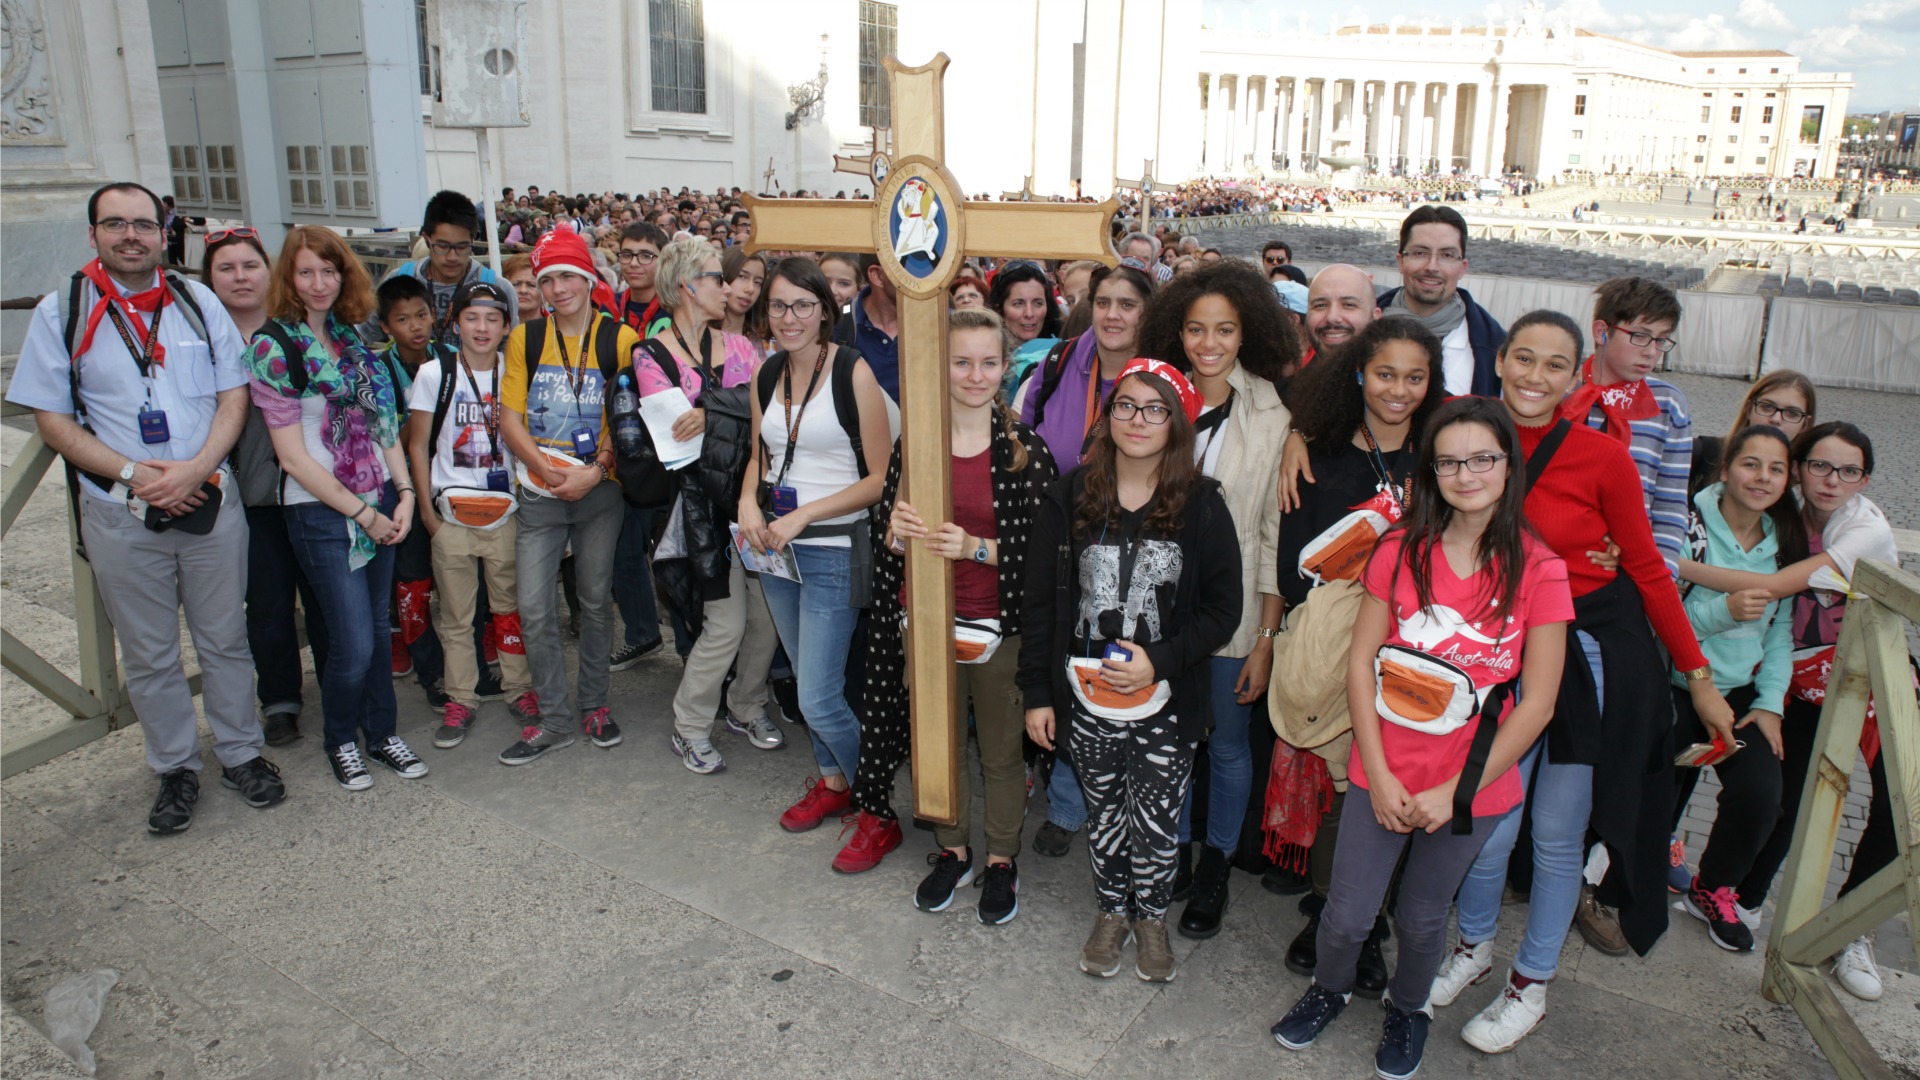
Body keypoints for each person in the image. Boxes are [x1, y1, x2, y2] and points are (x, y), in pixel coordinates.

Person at [1429, 311, 1731, 1055]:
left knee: (1557, 834)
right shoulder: (1469, 440)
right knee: (1488, 822)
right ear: (1501, 363)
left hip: (1591, 650)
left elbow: (1650, 571)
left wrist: (1696, 676)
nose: (1534, 376)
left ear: (1578, 374)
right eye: (1522, 359)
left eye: (1553, 364)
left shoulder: (1603, 456)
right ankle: (1472, 948)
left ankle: (1530, 982)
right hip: (1502, 648)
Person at [1270, 398, 1570, 1080]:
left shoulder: (1540, 568)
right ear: (1432, 470)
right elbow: (1360, 662)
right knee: (1345, 916)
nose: (1468, 474)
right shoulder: (1401, 549)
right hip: (1385, 767)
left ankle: (1409, 1009)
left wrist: (1451, 792)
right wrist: (1375, 769)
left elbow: (1541, 701)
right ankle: (1329, 987)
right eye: (1450, 461)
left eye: (1484, 458)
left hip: (1471, 785)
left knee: (1423, 916)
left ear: (1508, 466)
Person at [8, 182, 286, 830]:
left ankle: (241, 753)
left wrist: (195, 467)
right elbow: (52, 419)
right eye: (115, 224)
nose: (130, 235)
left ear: (164, 235)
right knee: (151, 652)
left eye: (142, 224)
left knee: (224, 640)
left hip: (209, 502)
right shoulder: (62, 313)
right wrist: (135, 474)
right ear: (94, 234)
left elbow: (233, 397)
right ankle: (175, 768)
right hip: (120, 510)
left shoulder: (199, 304)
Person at [1020, 359, 1242, 984]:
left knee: (1158, 817)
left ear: (1176, 423)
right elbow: (1040, 604)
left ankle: (1151, 917)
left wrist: (1161, 659)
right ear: (1107, 415)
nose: (1137, 420)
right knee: (1106, 809)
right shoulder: (1070, 495)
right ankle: (1111, 910)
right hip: (1085, 698)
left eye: (1154, 409)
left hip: (1166, 701)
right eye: (1125, 405)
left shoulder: (1200, 504)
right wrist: (1039, 692)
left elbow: (1224, 609)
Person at [1674, 422, 1899, 1001]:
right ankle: (1734, 895)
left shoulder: (1860, 529)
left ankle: (1852, 930)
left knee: (1901, 802)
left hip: (1865, 671)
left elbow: (1774, 589)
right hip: (1794, 673)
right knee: (1786, 796)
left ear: (1866, 479)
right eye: (1820, 466)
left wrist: (1675, 565)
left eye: (1849, 470)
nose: (1832, 480)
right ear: (1801, 469)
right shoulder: (1784, 516)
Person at [853, 309, 1059, 913]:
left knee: (999, 750)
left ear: (1005, 367)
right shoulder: (915, 444)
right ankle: (952, 848)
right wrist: (894, 532)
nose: (975, 375)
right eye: (961, 361)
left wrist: (975, 548)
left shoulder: (1026, 450)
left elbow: (1047, 556)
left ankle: (1000, 857)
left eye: (988, 363)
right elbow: (888, 533)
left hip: (1000, 627)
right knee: (935, 743)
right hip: (927, 621)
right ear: (939, 366)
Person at [1270, 316, 1447, 994]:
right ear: (1357, 376)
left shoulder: (1445, 453)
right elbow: (1292, 565)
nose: (1398, 390)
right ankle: (1333, 917)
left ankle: (1366, 925)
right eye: (1384, 374)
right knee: (1343, 791)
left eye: (1414, 376)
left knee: (1389, 791)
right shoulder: (1318, 453)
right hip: (1340, 649)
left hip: (1423, 656)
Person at [1134, 261, 1296, 940]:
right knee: (1168, 743)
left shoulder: (1272, 411)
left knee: (1227, 749)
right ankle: (1169, 853)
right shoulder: (1151, 395)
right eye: (1196, 328)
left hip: (1232, 618)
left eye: (1225, 330)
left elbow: (1272, 532)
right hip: (1158, 608)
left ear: (1247, 332)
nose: (1209, 343)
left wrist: (1265, 637)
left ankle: (1216, 867)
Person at [246, 225, 428, 791]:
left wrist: (402, 495)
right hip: (321, 513)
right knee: (351, 641)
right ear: (289, 278)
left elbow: (384, 429)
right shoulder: (272, 347)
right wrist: (363, 514)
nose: (319, 283)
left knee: (375, 629)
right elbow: (294, 459)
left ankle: (382, 733)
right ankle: (341, 741)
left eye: (329, 271)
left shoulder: (353, 342)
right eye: (306, 272)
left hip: (377, 500)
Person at [738, 258, 892, 836]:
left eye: (803, 305)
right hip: (775, 547)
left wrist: (805, 514)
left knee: (822, 697)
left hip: (833, 548)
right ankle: (835, 784)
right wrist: (747, 503)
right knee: (807, 687)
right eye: (778, 305)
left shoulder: (852, 372)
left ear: (825, 311)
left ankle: (873, 801)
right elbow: (761, 455)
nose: (789, 317)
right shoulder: (766, 373)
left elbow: (881, 477)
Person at [1016, 263, 1156, 858]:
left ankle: (1138, 808)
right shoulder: (1058, 361)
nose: (1114, 314)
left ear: (1147, 313)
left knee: (1130, 668)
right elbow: (1020, 432)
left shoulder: (1161, 374)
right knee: (1071, 663)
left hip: (1137, 543)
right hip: (1065, 535)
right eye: (1103, 301)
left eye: (1128, 303)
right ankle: (1071, 805)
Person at [495, 227, 642, 765]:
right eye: (547, 279)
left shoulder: (619, 339)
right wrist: (544, 469)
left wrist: (596, 468)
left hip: (600, 491)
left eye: (567, 276)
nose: (557, 288)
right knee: (534, 608)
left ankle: (595, 705)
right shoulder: (525, 339)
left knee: (595, 601)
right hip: (540, 490)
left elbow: (629, 419)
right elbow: (509, 418)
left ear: (588, 278)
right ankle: (555, 719)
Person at [640, 239, 784, 775]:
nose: (728, 288)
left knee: (768, 618)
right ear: (686, 287)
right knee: (725, 624)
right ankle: (691, 724)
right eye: (715, 278)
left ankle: (745, 707)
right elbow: (675, 440)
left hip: (750, 498)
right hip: (697, 508)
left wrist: (708, 410)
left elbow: (767, 411)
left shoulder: (743, 348)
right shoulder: (650, 354)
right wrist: (731, 412)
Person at [1665, 425, 1804, 953]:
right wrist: (1720, 612)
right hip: (1680, 682)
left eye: (1776, 468)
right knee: (1659, 783)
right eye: (1750, 464)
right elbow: (1664, 614)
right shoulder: (1689, 525)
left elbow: (1781, 636)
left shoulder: (1784, 546)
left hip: (1743, 693)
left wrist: (1769, 704)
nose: (1762, 477)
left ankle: (1711, 888)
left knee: (1762, 798)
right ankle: (1618, 877)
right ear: (1725, 469)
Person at [206, 225, 328, 747]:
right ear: (208, 279)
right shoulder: (203, 339)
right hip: (251, 496)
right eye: (226, 268)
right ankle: (280, 699)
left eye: (250, 265)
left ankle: (341, 686)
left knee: (325, 598)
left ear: (269, 272)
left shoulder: (301, 329)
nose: (240, 277)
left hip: (316, 489)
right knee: (269, 603)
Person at [407, 281, 541, 750]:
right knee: (457, 616)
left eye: (492, 318)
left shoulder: (515, 371)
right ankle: (461, 696)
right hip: (452, 516)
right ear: (456, 322)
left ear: (508, 325)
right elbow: (418, 445)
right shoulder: (433, 373)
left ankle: (518, 687)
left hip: (505, 516)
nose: (482, 327)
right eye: (472, 317)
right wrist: (428, 512)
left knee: (508, 611)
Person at [1374, 206, 1505, 397]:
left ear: (1462, 267)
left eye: (1447, 255)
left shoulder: (1496, 348)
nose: (1432, 267)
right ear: (1401, 262)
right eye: (1420, 253)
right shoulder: (1361, 330)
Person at [372, 189, 518, 348]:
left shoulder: (497, 288)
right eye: (442, 246)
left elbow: (511, 350)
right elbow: (365, 334)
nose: (452, 257)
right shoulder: (400, 282)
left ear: (473, 239)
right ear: (427, 239)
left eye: (462, 247)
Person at [1687, 369, 1816, 498]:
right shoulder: (1701, 453)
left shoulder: (1805, 484)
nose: (1776, 419)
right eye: (1767, 406)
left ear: (1805, 424)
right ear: (1749, 409)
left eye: (1792, 413)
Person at [834, 254, 902, 401]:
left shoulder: (936, 322)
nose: (921, 276)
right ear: (877, 275)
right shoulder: (839, 325)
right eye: (906, 266)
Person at [613, 223, 672, 339]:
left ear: (664, 261)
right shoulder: (609, 307)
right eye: (626, 255)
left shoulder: (676, 309)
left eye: (645, 256)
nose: (633, 263)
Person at [988, 262, 1062, 352]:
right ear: (999, 309)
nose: (1029, 313)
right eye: (1018, 304)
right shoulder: (984, 352)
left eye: (1038, 303)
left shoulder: (1063, 350)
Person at [719, 245, 769, 349]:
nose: (750, 289)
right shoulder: (699, 336)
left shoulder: (767, 342)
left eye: (758, 282)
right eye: (742, 276)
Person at [503, 253, 539, 323]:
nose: (523, 290)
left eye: (531, 285)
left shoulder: (558, 326)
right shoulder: (491, 329)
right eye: (516, 284)